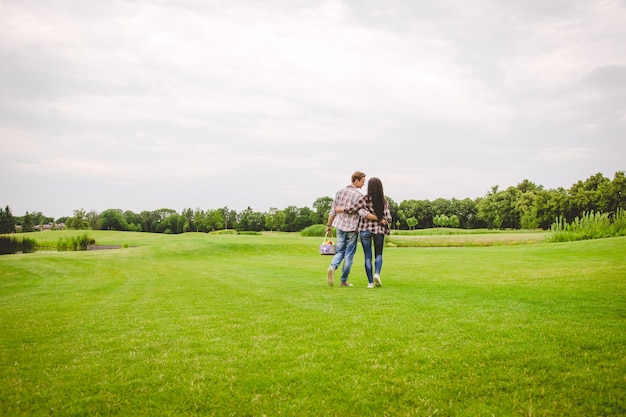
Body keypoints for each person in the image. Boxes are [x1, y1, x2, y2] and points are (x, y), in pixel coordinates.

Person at [335, 177, 391, 288]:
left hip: (365, 230)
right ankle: (377, 274)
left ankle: (370, 282)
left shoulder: (364, 199)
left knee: (367, 257)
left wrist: (341, 210)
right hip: (379, 231)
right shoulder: (384, 201)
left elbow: (352, 209)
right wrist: (382, 219)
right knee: (378, 254)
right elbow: (389, 218)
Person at [325, 171, 367, 287]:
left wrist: (328, 226)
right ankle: (343, 280)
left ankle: (332, 267)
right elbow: (361, 211)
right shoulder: (359, 196)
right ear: (356, 180)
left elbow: (333, 210)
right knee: (349, 254)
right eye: (362, 182)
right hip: (352, 228)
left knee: (339, 251)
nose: (363, 184)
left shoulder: (339, 192)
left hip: (339, 226)